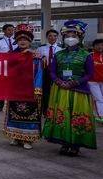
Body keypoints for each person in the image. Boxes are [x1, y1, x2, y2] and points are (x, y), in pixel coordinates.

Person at [42, 20, 96, 156]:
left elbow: (90, 73)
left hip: (79, 91)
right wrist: (58, 81)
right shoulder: (58, 54)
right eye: (67, 35)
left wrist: (75, 82)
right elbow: (52, 71)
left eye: (73, 35)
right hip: (60, 90)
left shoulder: (86, 55)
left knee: (77, 116)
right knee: (62, 116)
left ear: (80, 37)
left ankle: (75, 145)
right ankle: (64, 143)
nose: (70, 38)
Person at [3, 24, 43, 150]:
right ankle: (15, 136)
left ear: (30, 41)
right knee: (14, 113)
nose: (22, 42)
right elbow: (5, 71)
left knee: (29, 114)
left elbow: (39, 73)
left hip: (29, 90)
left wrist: (37, 88)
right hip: (15, 89)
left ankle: (27, 139)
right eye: (20, 40)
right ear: (17, 41)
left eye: (25, 40)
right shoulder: (11, 55)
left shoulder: (35, 56)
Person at [0, 23, 16, 112]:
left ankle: (13, 105)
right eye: (9, 30)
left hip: (14, 67)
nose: (11, 32)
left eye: (12, 30)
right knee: (1, 87)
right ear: (4, 31)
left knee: (13, 86)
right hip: (3, 67)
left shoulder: (16, 41)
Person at [37, 28, 61, 113]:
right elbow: (37, 60)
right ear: (47, 37)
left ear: (57, 37)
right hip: (44, 72)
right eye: (50, 36)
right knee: (45, 91)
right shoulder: (41, 48)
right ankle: (45, 110)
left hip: (56, 73)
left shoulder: (61, 49)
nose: (52, 37)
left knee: (55, 91)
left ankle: (55, 110)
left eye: (54, 36)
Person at [89, 38, 103, 125]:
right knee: (99, 99)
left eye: (102, 45)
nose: (100, 46)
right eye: (97, 45)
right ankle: (101, 117)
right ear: (93, 46)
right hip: (92, 82)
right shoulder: (90, 56)